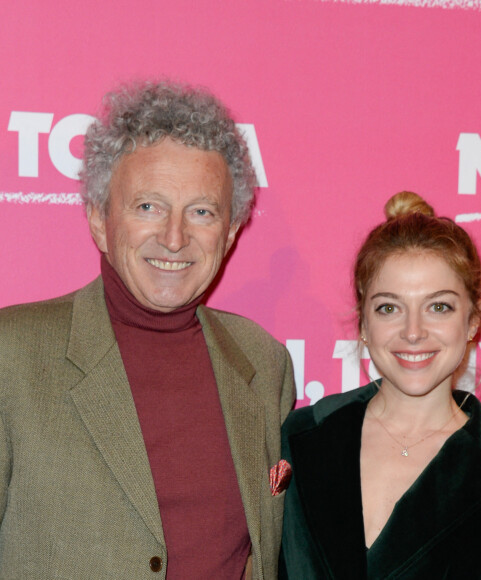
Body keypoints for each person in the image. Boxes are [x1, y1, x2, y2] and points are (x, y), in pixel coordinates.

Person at [0, 81, 296, 580]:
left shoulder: (264, 363)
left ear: (229, 233)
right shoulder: (12, 356)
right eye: (148, 207)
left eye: (202, 212)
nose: (175, 237)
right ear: (99, 219)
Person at [279, 191, 481, 579]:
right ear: (362, 324)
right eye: (389, 308)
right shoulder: (298, 439)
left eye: (439, 306)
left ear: (473, 321)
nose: (413, 332)